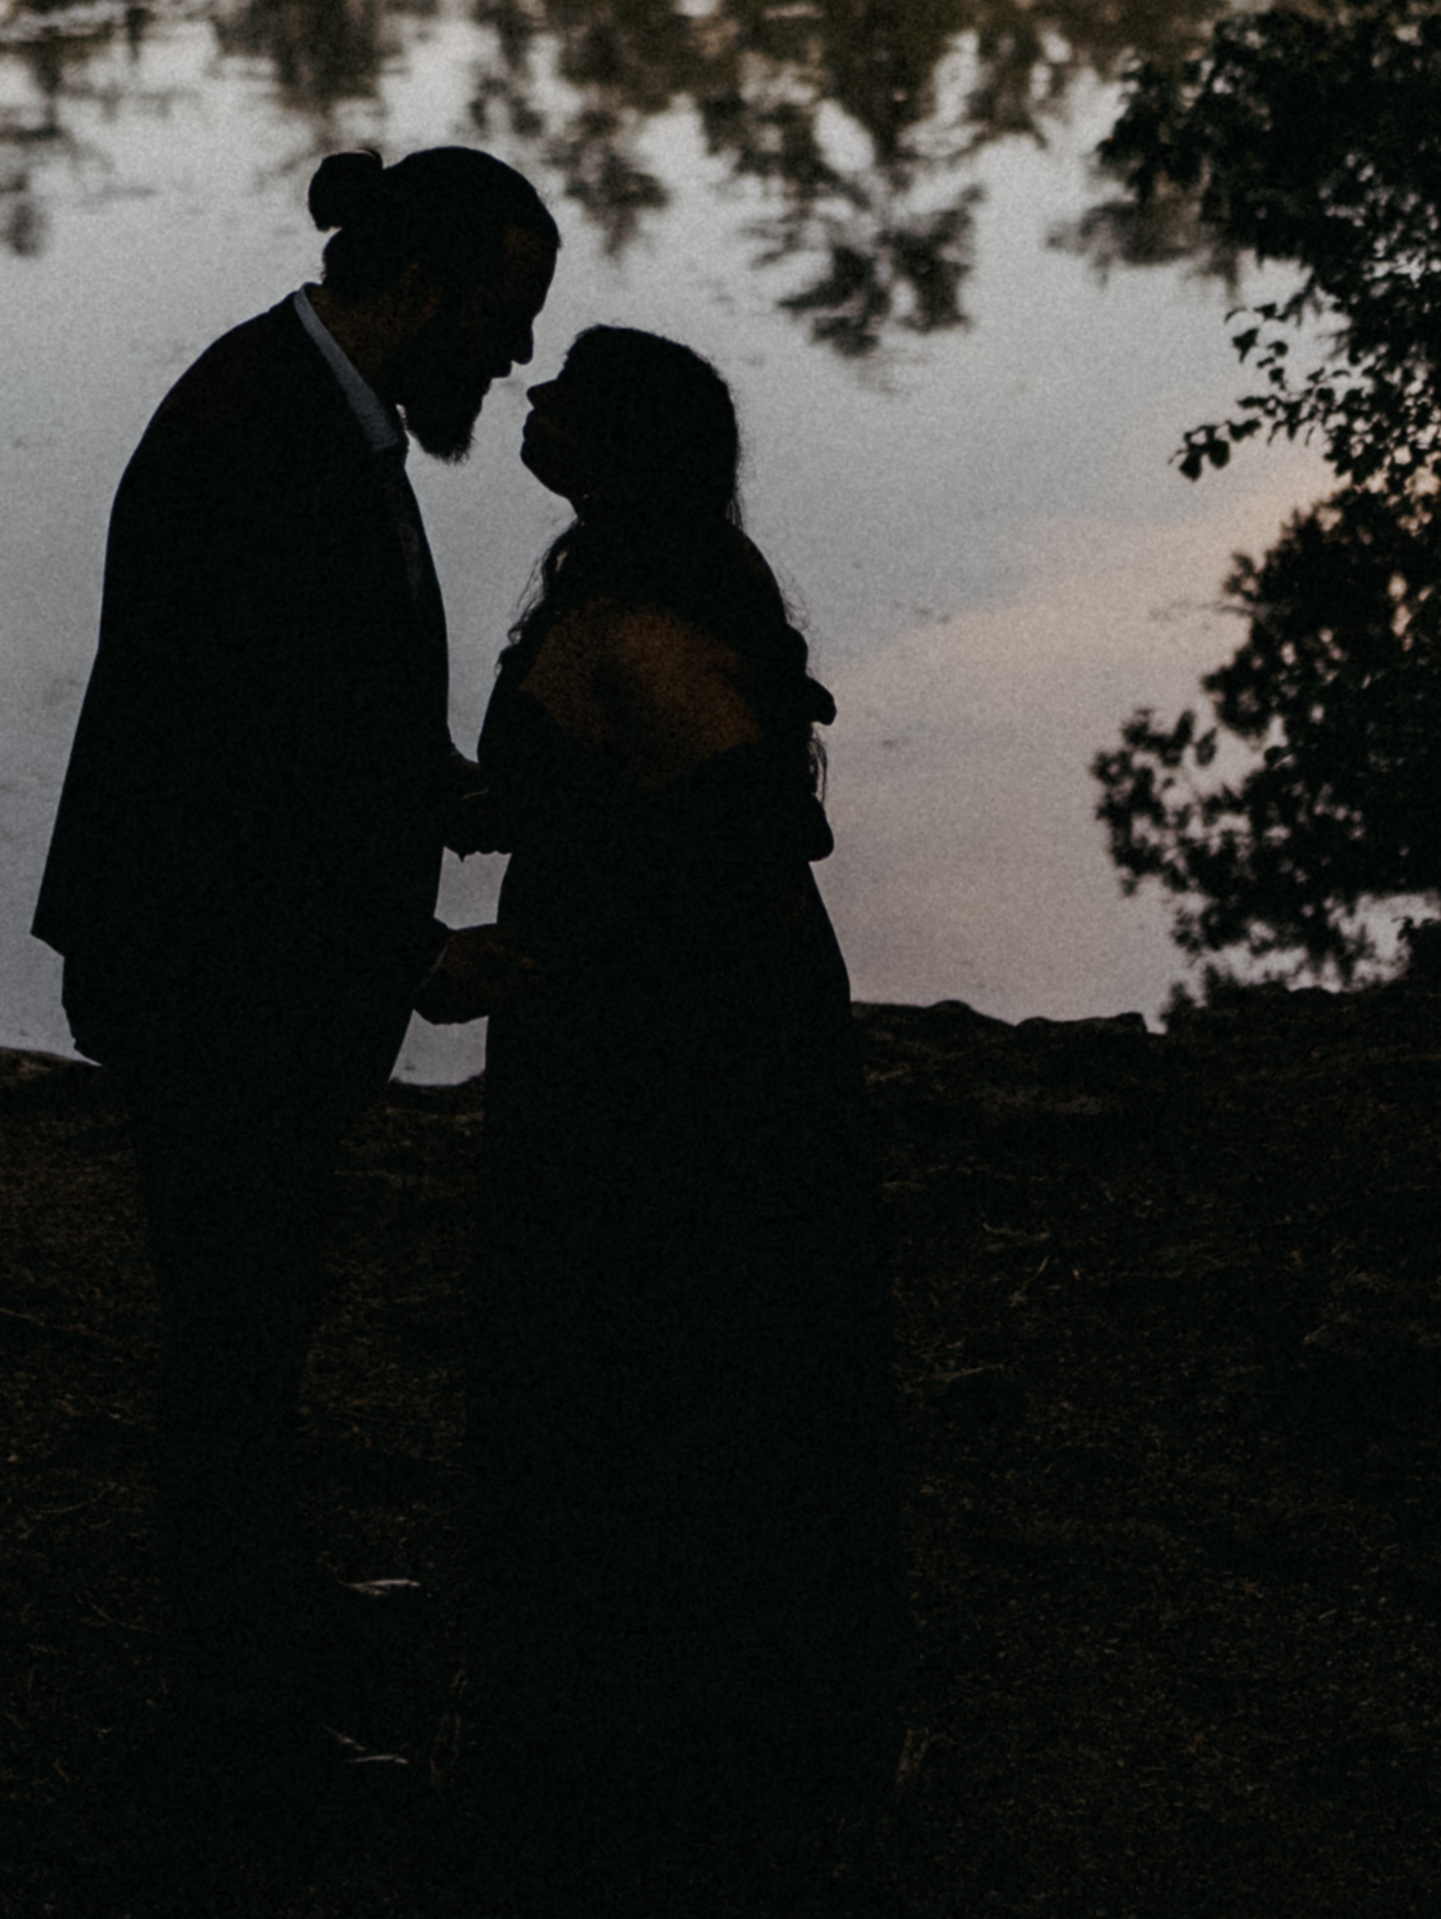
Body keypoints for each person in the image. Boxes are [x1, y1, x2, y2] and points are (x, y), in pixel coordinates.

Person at [33, 140, 560, 1807]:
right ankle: (238, 1732)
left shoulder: (312, 406)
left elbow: (322, 708)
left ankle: (274, 1613)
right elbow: (241, 768)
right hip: (211, 974)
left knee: (265, 1315)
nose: (520, 355)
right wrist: (415, 953)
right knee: (233, 1338)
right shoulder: (260, 438)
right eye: (507, 314)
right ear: (426, 284)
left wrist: (452, 794)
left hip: (243, 959)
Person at [419, 324, 906, 1891]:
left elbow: (748, 842)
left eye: (568, 392)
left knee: (654, 1347)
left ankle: (665, 1731)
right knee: (604, 1348)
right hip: (611, 1032)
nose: (534, 398)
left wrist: (578, 950)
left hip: (676, 1058)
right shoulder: (608, 596)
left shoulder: (646, 634)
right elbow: (585, 796)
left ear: (621, 443)